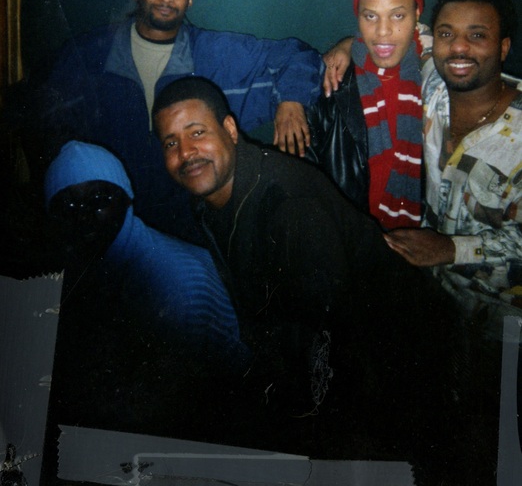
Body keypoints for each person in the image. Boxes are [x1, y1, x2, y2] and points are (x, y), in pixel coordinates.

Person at [151, 75, 475, 479]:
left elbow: (333, 341)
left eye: (197, 133)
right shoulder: (211, 197)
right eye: (171, 143)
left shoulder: (288, 204)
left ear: (230, 130)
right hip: (358, 352)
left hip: (409, 358)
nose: (186, 153)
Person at [23, 0, 323, 234]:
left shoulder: (213, 52)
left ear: (189, 0)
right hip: (106, 224)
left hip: (189, 224)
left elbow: (297, 55)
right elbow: (39, 118)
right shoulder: (89, 54)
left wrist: (292, 101)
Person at [40, 140, 250, 482]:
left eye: (100, 200)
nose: (84, 215)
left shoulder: (174, 284)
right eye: (70, 204)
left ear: (126, 198)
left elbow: (183, 406)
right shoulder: (92, 258)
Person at [383, 0, 522, 339]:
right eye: (448, 33)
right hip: (434, 299)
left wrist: (450, 248)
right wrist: (346, 47)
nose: (459, 47)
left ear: (503, 47)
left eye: (477, 35)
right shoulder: (434, 85)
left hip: (503, 320)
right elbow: (398, 26)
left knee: (502, 396)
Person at [306, 0, 426, 228]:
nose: (383, 31)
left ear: (417, 14)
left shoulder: (437, 83)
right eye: (370, 16)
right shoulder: (333, 80)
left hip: (417, 245)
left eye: (397, 16)